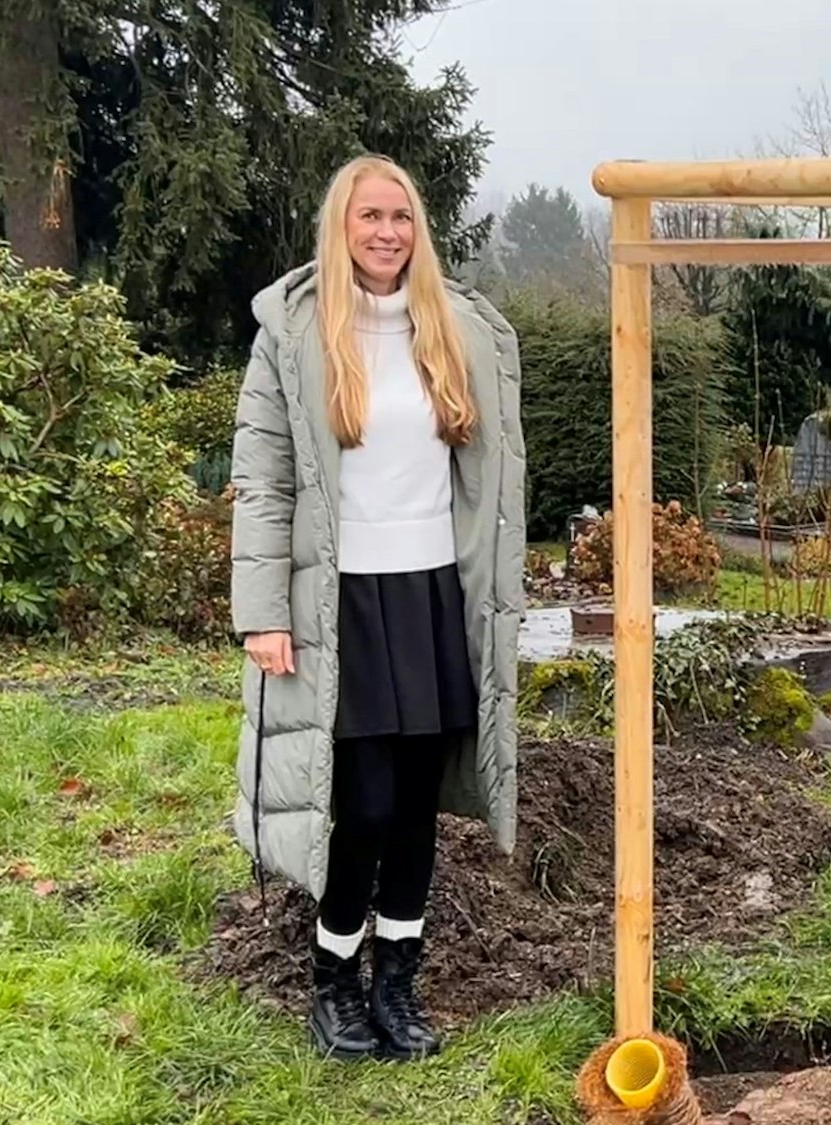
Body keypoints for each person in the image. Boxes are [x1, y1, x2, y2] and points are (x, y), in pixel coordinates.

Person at [229, 154, 527, 1062]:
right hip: (343, 601)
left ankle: (398, 985)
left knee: (414, 811)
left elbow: (493, 482)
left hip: (435, 594)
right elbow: (263, 480)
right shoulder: (292, 331)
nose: (388, 232)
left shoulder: (461, 328)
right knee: (360, 807)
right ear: (342, 225)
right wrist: (262, 611)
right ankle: (334, 985)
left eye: (401, 216)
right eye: (370, 216)